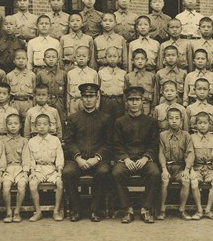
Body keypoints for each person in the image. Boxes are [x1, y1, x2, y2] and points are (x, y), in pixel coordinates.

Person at [63, 83, 112, 222]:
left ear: (97, 98)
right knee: (68, 172)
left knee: (103, 172)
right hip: (78, 160)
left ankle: (95, 210)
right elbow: (69, 141)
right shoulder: (73, 118)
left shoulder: (105, 118)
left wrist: (96, 158)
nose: (88, 99)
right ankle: (76, 209)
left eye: (91, 96)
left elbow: (109, 143)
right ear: (81, 98)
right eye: (85, 96)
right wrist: (78, 158)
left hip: (97, 160)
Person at [111, 86, 161, 224]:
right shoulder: (119, 122)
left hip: (144, 159)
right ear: (126, 102)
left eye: (137, 99)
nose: (134, 103)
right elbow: (117, 144)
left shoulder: (151, 122)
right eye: (131, 100)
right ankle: (128, 209)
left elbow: (154, 144)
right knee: (116, 173)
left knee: (154, 173)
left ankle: (145, 208)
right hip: (127, 159)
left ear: (142, 102)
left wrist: (146, 158)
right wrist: (125, 159)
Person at [157, 107, 196, 220]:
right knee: (164, 181)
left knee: (186, 180)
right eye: (171, 118)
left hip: (180, 167)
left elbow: (190, 154)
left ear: (181, 120)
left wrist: (187, 169)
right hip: (167, 167)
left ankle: (182, 210)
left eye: (177, 118)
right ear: (167, 120)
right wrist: (164, 169)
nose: (174, 121)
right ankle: (162, 210)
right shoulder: (162, 136)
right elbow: (161, 153)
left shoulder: (186, 135)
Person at [27, 113, 65, 222]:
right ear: (35, 127)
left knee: (60, 183)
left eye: (45, 124)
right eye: (39, 125)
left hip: (52, 169)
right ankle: (38, 212)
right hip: (38, 169)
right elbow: (31, 159)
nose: (42, 127)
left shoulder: (55, 140)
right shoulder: (31, 141)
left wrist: (59, 171)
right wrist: (32, 171)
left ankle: (56, 211)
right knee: (32, 184)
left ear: (50, 126)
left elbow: (59, 157)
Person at [188, 112, 213, 220]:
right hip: (196, 168)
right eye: (200, 123)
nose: (202, 125)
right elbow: (189, 155)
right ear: (195, 125)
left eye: (205, 123)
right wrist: (191, 170)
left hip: (210, 168)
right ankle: (199, 210)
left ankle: (208, 210)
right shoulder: (191, 138)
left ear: (210, 124)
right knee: (194, 182)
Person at [0, 113, 30, 223]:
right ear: (6, 126)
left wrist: (25, 171)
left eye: (16, 123)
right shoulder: (2, 141)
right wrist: (1, 171)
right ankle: (8, 211)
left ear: (20, 125)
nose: (13, 126)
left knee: (21, 186)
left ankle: (17, 211)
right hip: (7, 169)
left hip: (20, 169)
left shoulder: (24, 141)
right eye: (10, 124)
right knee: (6, 187)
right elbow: (1, 157)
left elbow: (26, 157)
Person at [36, 48, 67, 128]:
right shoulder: (40, 74)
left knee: (60, 123)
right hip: (45, 102)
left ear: (58, 59)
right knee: (45, 122)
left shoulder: (63, 74)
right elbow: (37, 92)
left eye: (53, 57)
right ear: (44, 60)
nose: (51, 59)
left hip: (59, 102)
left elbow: (66, 92)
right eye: (48, 57)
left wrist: (65, 107)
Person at [66, 45, 99, 116]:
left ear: (88, 58)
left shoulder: (93, 73)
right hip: (74, 102)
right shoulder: (70, 73)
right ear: (75, 58)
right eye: (78, 56)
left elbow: (97, 91)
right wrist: (68, 107)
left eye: (84, 56)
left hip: (88, 102)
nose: (81, 58)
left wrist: (97, 105)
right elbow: (68, 92)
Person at [97, 46, 126, 122]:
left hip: (119, 101)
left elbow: (125, 91)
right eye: (109, 56)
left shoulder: (123, 73)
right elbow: (98, 91)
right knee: (105, 122)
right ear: (105, 58)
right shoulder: (101, 73)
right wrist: (97, 105)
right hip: (106, 101)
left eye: (115, 56)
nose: (112, 59)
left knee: (119, 122)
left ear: (119, 58)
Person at [125, 48, 157, 116]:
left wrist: (153, 108)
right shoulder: (128, 76)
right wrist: (126, 108)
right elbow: (125, 94)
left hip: (146, 106)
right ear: (132, 61)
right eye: (137, 59)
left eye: (142, 59)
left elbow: (155, 94)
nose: (140, 61)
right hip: (132, 106)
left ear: (146, 60)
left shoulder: (151, 76)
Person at [7, 48, 36, 119]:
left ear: (27, 60)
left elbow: (35, 93)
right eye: (18, 58)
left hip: (28, 103)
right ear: (14, 60)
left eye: (23, 58)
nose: (21, 60)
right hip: (14, 103)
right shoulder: (9, 75)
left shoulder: (32, 75)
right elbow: (7, 94)